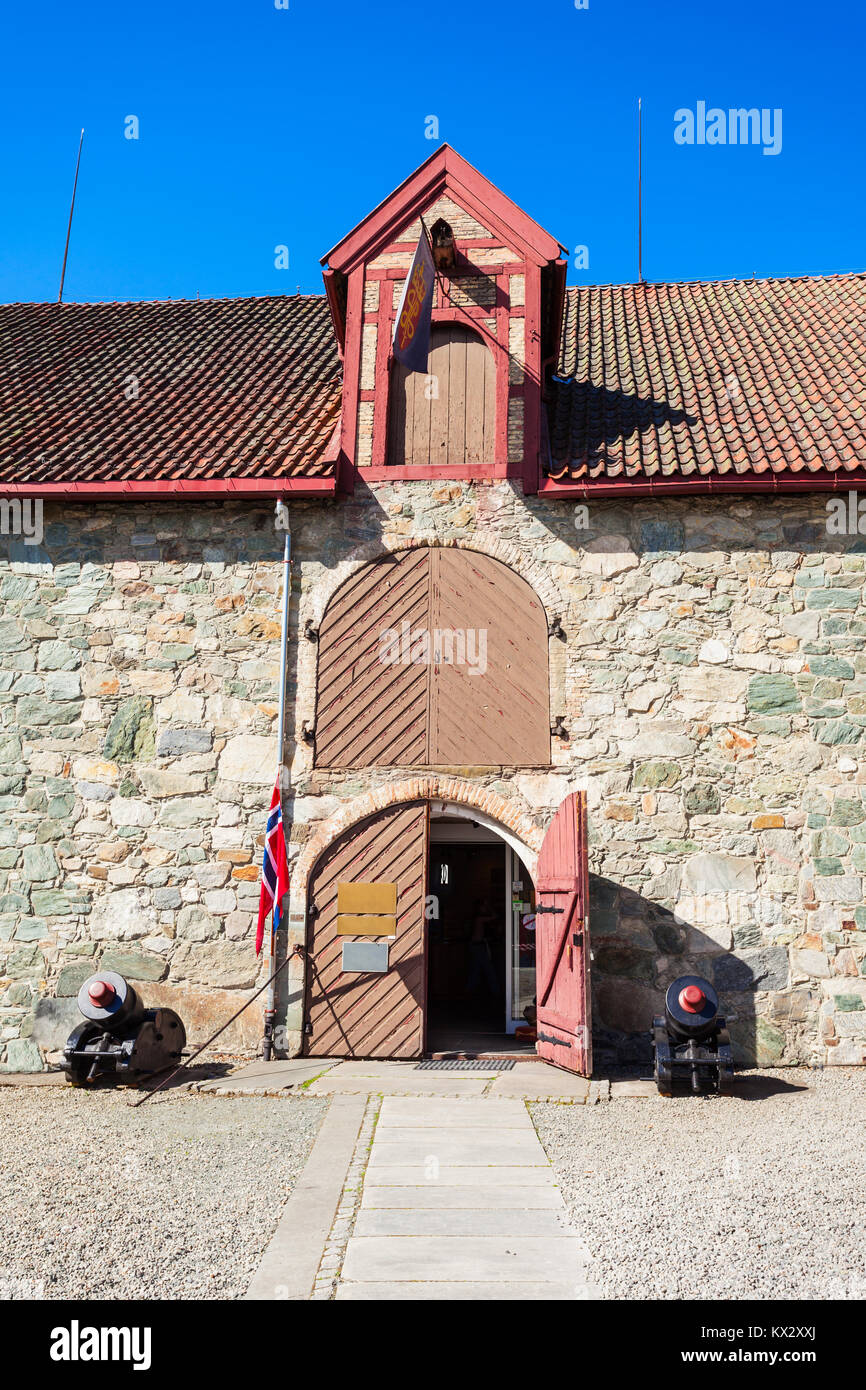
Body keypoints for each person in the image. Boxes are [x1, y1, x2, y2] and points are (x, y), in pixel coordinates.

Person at [466, 897, 498, 997]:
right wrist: (489, 907)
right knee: (488, 969)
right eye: (483, 906)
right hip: (478, 946)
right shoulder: (479, 919)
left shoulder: (476, 918)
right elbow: (495, 916)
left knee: (475, 970)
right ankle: (495, 992)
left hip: (476, 946)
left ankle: (470, 991)